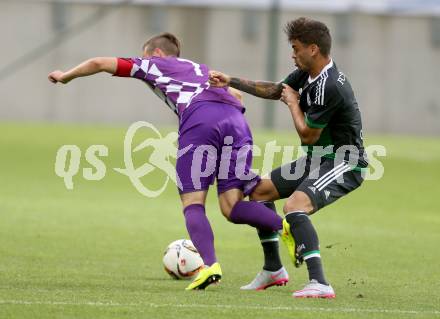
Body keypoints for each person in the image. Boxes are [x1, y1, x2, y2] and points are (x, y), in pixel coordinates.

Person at [48, 32, 287, 291]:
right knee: (231, 205)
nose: (142, 60)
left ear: (157, 53)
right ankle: (286, 227)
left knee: (193, 203)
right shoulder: (199, 68)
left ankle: (210, 266)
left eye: (145, 55)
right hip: (237, 123)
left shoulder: (154, 64)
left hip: (200, 122)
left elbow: (99, 63)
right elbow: (238, 97)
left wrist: (65, 76)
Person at [210, 17, 368, 298]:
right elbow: (276, 90)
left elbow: (308, 135)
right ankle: (273, 270)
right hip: (318, 158)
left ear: (313, 48)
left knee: (295, 207)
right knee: (259, 192)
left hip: (345, 161)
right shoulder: (308, 74)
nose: (292, 54)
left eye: (295, 48)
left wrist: (294, 104)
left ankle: (319, 282)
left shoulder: (329, 86)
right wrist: (230, 80)